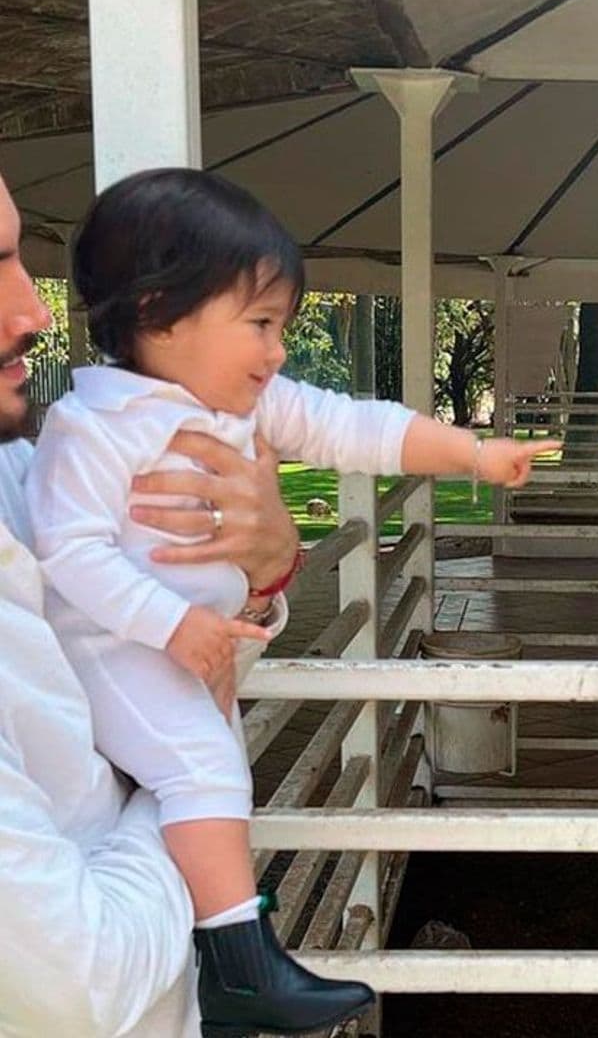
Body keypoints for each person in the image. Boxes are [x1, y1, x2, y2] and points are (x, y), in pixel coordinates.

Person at [25, 167, 558, 1037]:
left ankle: (225, 956)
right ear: (160, 311)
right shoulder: (92, 428)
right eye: (261, 324)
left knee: (209, 772)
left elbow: (357, 426)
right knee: (204, 771)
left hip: (183, 649)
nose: (277, 352)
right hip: (116, 651)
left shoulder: (248, 406)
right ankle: (239, 961)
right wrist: (176, 622)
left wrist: (470, 453)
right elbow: (69, 552)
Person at [0, 170, 299, 1036]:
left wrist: (267, 567)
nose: (37, 314)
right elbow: (84, 989)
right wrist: (181, 779)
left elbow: (183, 648)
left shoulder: (35, 478)